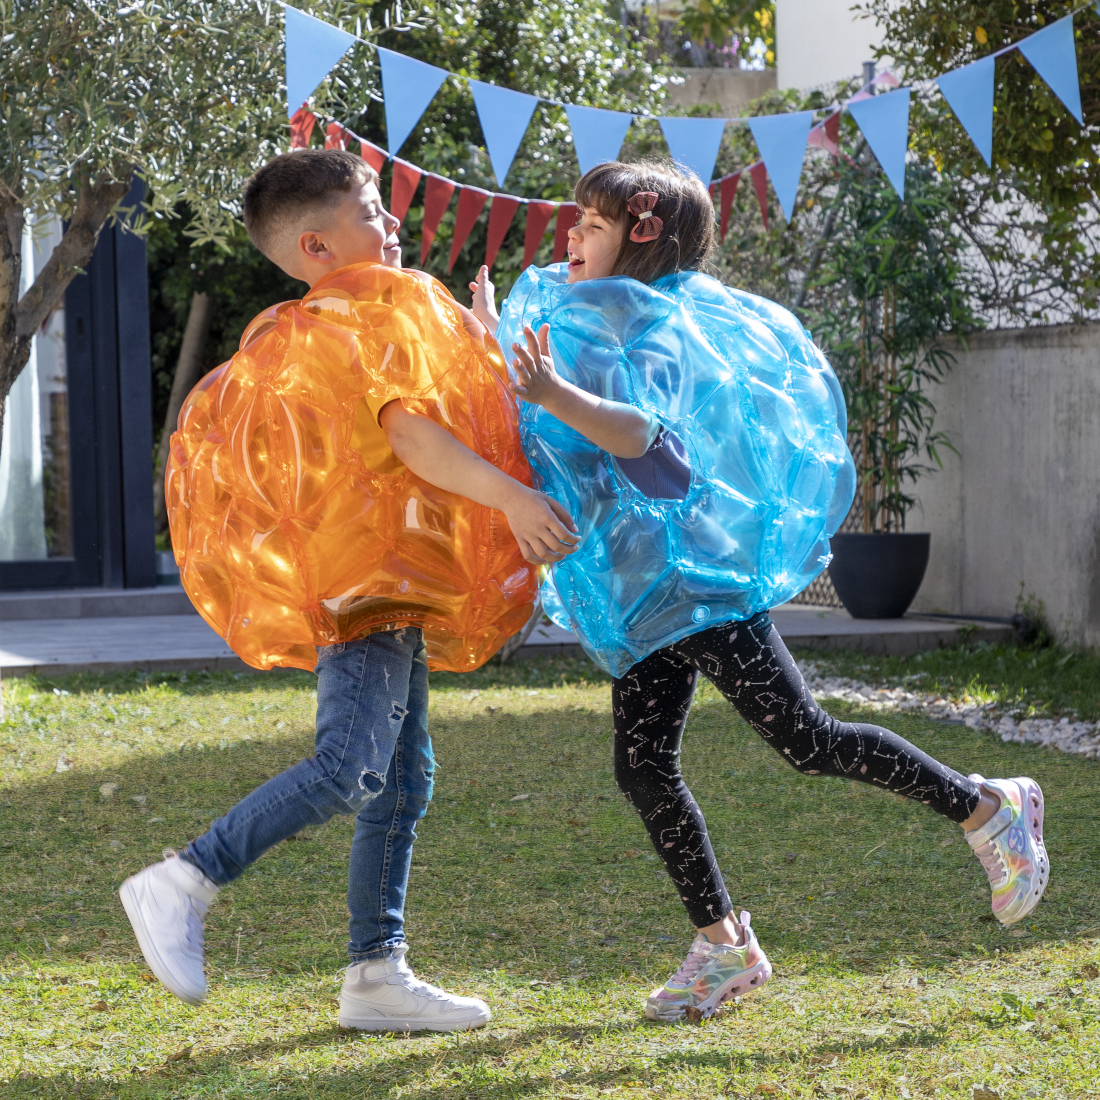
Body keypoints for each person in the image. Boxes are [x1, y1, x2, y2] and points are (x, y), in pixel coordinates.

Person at [476, 159, 1049, 1024]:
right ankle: (723, 946)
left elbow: (648, 441)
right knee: (643, 769)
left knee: (807, 741)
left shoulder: (660, 329)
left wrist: (552, 387)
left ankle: (990, 807)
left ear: (640, 235)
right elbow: (546, 425)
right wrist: (497, 341)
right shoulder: (583, 315)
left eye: (587, 227)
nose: (568, 240)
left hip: (701, 580)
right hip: (647, 593)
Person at [121, 149, 578, 1032]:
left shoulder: (355, 315)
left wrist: (484, 342)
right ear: (319, 244)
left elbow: (430, 410)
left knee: (404, 778)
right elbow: (411, 439)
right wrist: (515, 499)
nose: (395, 219)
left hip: (386, 576)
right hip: (367, 579)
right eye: (374, 207)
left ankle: (376, 974)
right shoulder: (350, 323)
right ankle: (183, 879)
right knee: (351, 767)